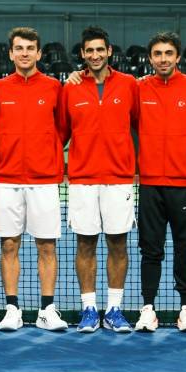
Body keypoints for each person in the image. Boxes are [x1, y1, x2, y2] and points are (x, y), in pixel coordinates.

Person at [0, 27, 67, 332]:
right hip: (8, 179)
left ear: (39, 53)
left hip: (45, 180)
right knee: (9, 245)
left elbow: (63, 127)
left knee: (47, 246)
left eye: (30, 48)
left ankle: (47, 309)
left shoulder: (54, 89)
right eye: (18, 48)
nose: (24, 53)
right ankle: (12, 309)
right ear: (10, 53)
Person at [60, 26, 138, 333]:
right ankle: (89, 309)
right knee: (85, 244)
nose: (94, 55)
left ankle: (115, 309)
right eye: (89, 50)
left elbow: (144, 123)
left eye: (99, 50)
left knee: (118, 243)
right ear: (82, 54)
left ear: (109, 52)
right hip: (82, 179)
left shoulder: (130, 85)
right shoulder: (71, 87)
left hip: (119, 178)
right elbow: (60, 131)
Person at [132, 32, 186, 333]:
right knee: (150, 249)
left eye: (168, 53)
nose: (163, 59)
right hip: (150, 183)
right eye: (158, 54)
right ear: (150, 58)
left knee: (185, 248)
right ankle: (148, 308)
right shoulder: (137, 89)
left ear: (178, 57)